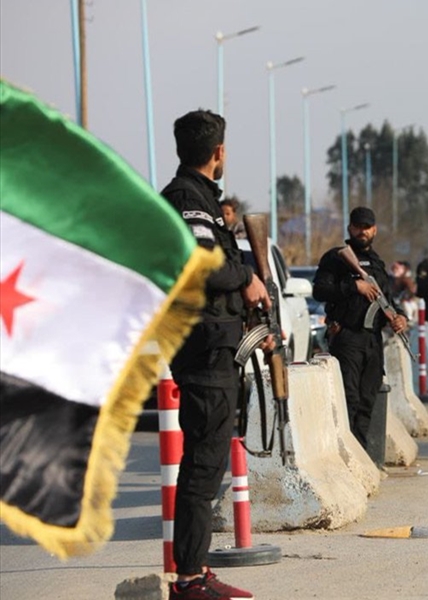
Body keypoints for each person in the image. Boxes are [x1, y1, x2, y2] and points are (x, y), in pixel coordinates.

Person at [161, 110, 271, 600]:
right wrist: (246, 277)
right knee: (202, 468)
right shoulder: (188, 200)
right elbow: (203, 267)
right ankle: (190, 578)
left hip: (216, 346)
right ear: (218, 152)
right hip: (203, 352)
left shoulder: (201, 200)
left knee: (205, 466)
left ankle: (194, 571)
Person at [313, 207, 408, 448]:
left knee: (367, 400)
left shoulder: (377, 263)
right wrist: (354, 288)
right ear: (350, 228)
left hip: (372, 341)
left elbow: (387, 300)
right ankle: (349, 455)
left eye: (367, 227)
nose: (362, 231)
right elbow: (320, 291)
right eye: (357, 226)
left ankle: (362, 455)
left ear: (374, 229)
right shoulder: (336, 258)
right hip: (347, 337)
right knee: (349, 398)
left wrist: (399, 317)